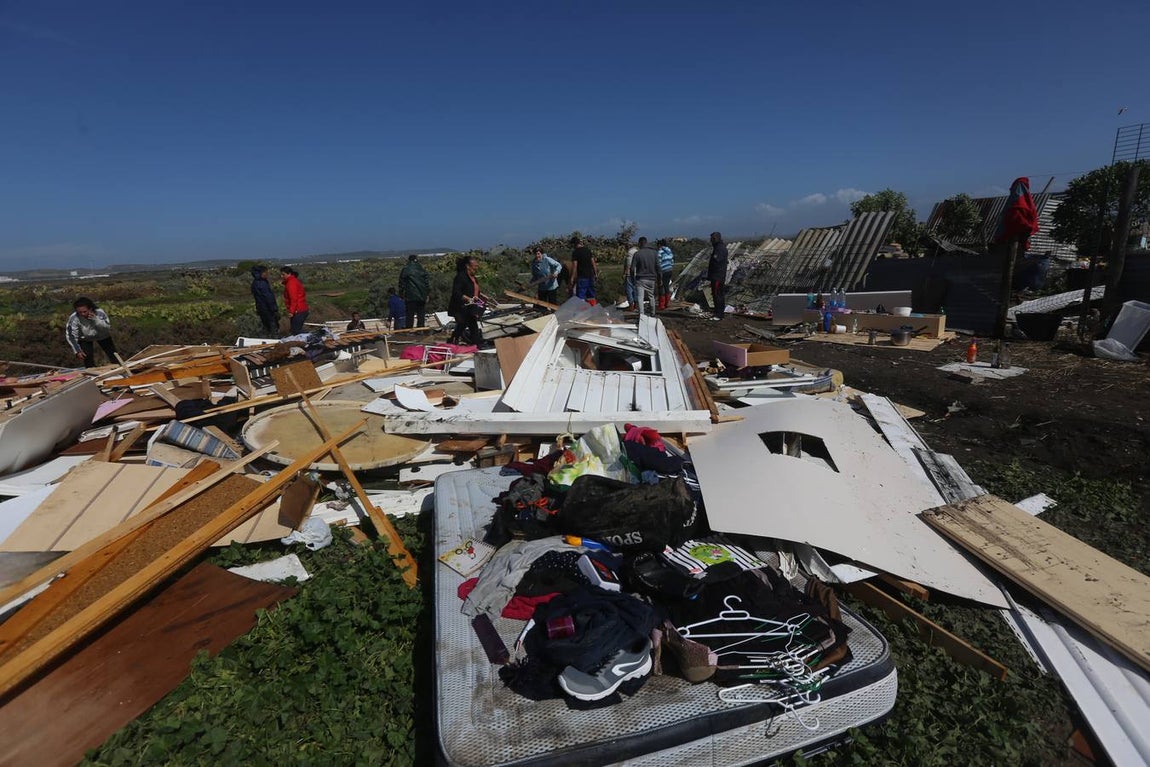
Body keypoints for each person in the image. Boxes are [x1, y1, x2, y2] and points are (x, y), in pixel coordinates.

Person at [66, 297, 118, 368]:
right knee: (87, 357)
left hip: (103, 335)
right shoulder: (74, 317)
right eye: (80, 312)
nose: (82, 314)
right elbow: (71, 335)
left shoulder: (99, 312)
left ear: (90, 309)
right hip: (85, 338)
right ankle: (91, 371)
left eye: (85, 311)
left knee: (113, 355)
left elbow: (106, 328)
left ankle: (119, 367)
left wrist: (96, 320)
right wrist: (77, 350)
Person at [449, 255, 483, 345]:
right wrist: (468, 298)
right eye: (475, 266)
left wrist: (480, 297)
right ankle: (476, 345)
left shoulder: (474, 278)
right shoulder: (461, 277)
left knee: (467, 325)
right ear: (468, 266)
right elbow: (456, 292)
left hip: (471, 307)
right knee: (469, 325)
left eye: (477, 266)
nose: (476, 268)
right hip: (462, 307)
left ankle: (453, 340)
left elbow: (475, 290)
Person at [630, 237, 660, 316]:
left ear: (640, 243)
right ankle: (652, 313)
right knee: (651, 296)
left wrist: (633, 279)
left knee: (640, 297)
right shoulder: (654, 253)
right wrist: (659, 279)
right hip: (651, 278)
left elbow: (632, 269)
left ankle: (642, 315)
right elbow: (658, 267)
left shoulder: (637, 254)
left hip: (640, 279)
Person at [399, 254, 430, 329]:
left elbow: (401, 283)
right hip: (422, 295)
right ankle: (420, 329)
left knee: (410, 314)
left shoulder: (406, 269)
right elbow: (427, 283)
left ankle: (409, 330)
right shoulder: (422, 269)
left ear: (409, 260)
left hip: (410, 295)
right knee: (421, 314)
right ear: (416, 260)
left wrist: (401, 294)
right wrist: (427, 294)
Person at [250, 265, 280, 336]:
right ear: (262, 273)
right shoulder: (262, 283)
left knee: (266, 325)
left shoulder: (255, 282)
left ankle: (267, 337)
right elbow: (268, 298)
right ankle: (274, 338)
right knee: (272, 325)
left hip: (261, 308)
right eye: (266, 272)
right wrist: (274, 309)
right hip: (267, 309)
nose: (267, 274)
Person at [280, 266, 309, 334]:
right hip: (299, 309)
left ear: (289, 273)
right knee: (295, 330)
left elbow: (293, 299)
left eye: (283, 274)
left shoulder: (291, 283)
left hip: (298, 310)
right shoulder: (292, 282)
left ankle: (312, 337)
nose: (281, 276)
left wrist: (291, 311)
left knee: (296, 331)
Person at [568, 237, 598, 302]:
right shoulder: (587, 250)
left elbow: (575, 266)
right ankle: (593, 307)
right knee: (591, 295)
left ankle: (582, 308)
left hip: (582, 277)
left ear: (574, 244)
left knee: (580, 297)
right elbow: (593, 263)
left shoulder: (575, 252)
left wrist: (572, 278)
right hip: (590, 276)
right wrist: (595, 274)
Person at [707, 232, 728, 321]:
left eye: (712, 239)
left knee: (717, 294)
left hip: (718, 275)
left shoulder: (720, 249)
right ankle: (717, 312)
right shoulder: (718, 247)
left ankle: (719, 314)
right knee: (717, 294)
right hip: (716, 275)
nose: (711, 241)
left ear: (715, 239)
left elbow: (716, 262)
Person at [657, 240, 675, 310]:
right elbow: (672, 261)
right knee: (666, 286)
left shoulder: (660, 252)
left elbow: (658, 263)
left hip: (663, 271)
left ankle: (661, 305)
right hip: (669, 270)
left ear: (660, 245)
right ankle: (667, 303)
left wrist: (658, 272)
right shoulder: (669, 251)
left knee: (661, 287)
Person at [623, 244, 638, 310]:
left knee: (629, 290)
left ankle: (631, 305)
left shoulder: (629, 253)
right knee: (636, 289)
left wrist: (625, 273)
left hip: (630, 274)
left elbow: (628, 264)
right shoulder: (637, 251)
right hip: (637, 273)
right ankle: (636, 305)